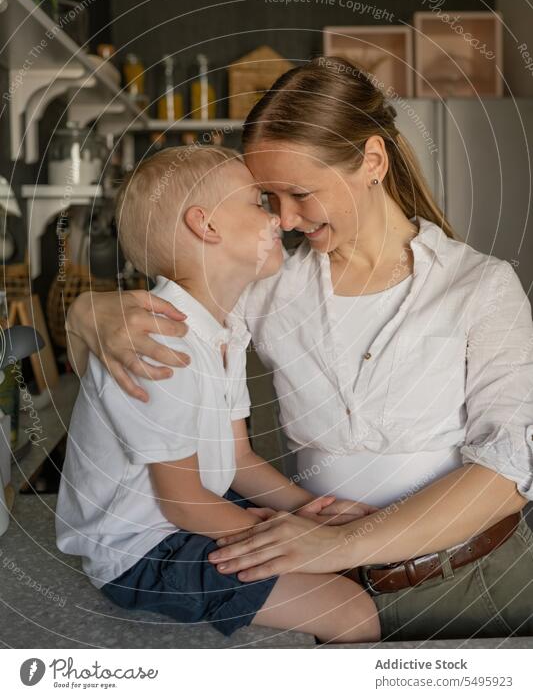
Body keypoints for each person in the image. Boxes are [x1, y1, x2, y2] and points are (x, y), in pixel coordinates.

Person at [66, 57, 533, 641]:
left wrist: (337, 543)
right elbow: (175, 318)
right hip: (333, 576)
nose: (284, 220)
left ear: (372, 162)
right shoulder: (270, 284)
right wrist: (87, 312)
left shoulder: (482, 287)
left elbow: (508, 469)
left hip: (481, 573)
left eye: (300, 193)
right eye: (267, 198)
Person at [56, 145, 381, 643]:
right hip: (145, 552)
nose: (276, 217)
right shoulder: (160, 342)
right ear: (206, 226)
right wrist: (298, 542)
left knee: (332, 570)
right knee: (351, 612)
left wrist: (305, 509)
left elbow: (238, 456)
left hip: (185, 515)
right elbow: (182, 503)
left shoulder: (222, 331)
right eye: (257, 202)